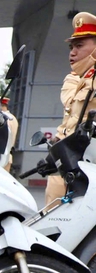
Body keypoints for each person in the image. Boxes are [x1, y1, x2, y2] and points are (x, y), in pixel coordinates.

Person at [46, 11, 96, 205]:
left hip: (88, 170)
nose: (72, 52)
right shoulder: (75, 79)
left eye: (79, 46)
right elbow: (69, 122)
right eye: (71, 47)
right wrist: (53, 155)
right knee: (50, 218)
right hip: (65, 165)